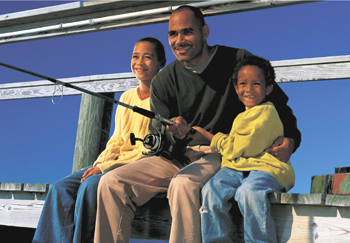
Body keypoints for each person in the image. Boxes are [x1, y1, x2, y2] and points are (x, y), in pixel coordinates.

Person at [94, 5, 301, 243]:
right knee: (111, 182)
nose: (179, 40)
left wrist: (292, 140)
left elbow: (280, 107)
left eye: (187, 32)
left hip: (219, 153)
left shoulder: (237, 60)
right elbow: (158, 140)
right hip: (174, 156)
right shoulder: (163, 81)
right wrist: (173, 133)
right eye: (173, 34)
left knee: (183, 184)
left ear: (205, 31)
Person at [32, 37, 166, 243]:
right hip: (112, 163)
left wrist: (105, 169)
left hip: (137, 165)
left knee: (90, 185)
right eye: (135, 56)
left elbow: (148, 150)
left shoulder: (164, 99)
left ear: (161, 63)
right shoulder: (126, 97)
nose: (139, 62)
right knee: (60, 187)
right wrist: (99, 164)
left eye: (148, 57)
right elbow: (117, 140)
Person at [196, 55, 295, 243]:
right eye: (243, 84)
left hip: (266, 167)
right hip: (237, 168)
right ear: (236, 88)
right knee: (211, 190)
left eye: (256, 84)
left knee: (248, 192)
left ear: (268, 88)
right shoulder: (242, 115)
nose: (248, 89)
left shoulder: (267, 113)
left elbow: (241, 147)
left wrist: (212, 138)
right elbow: (237, 146)